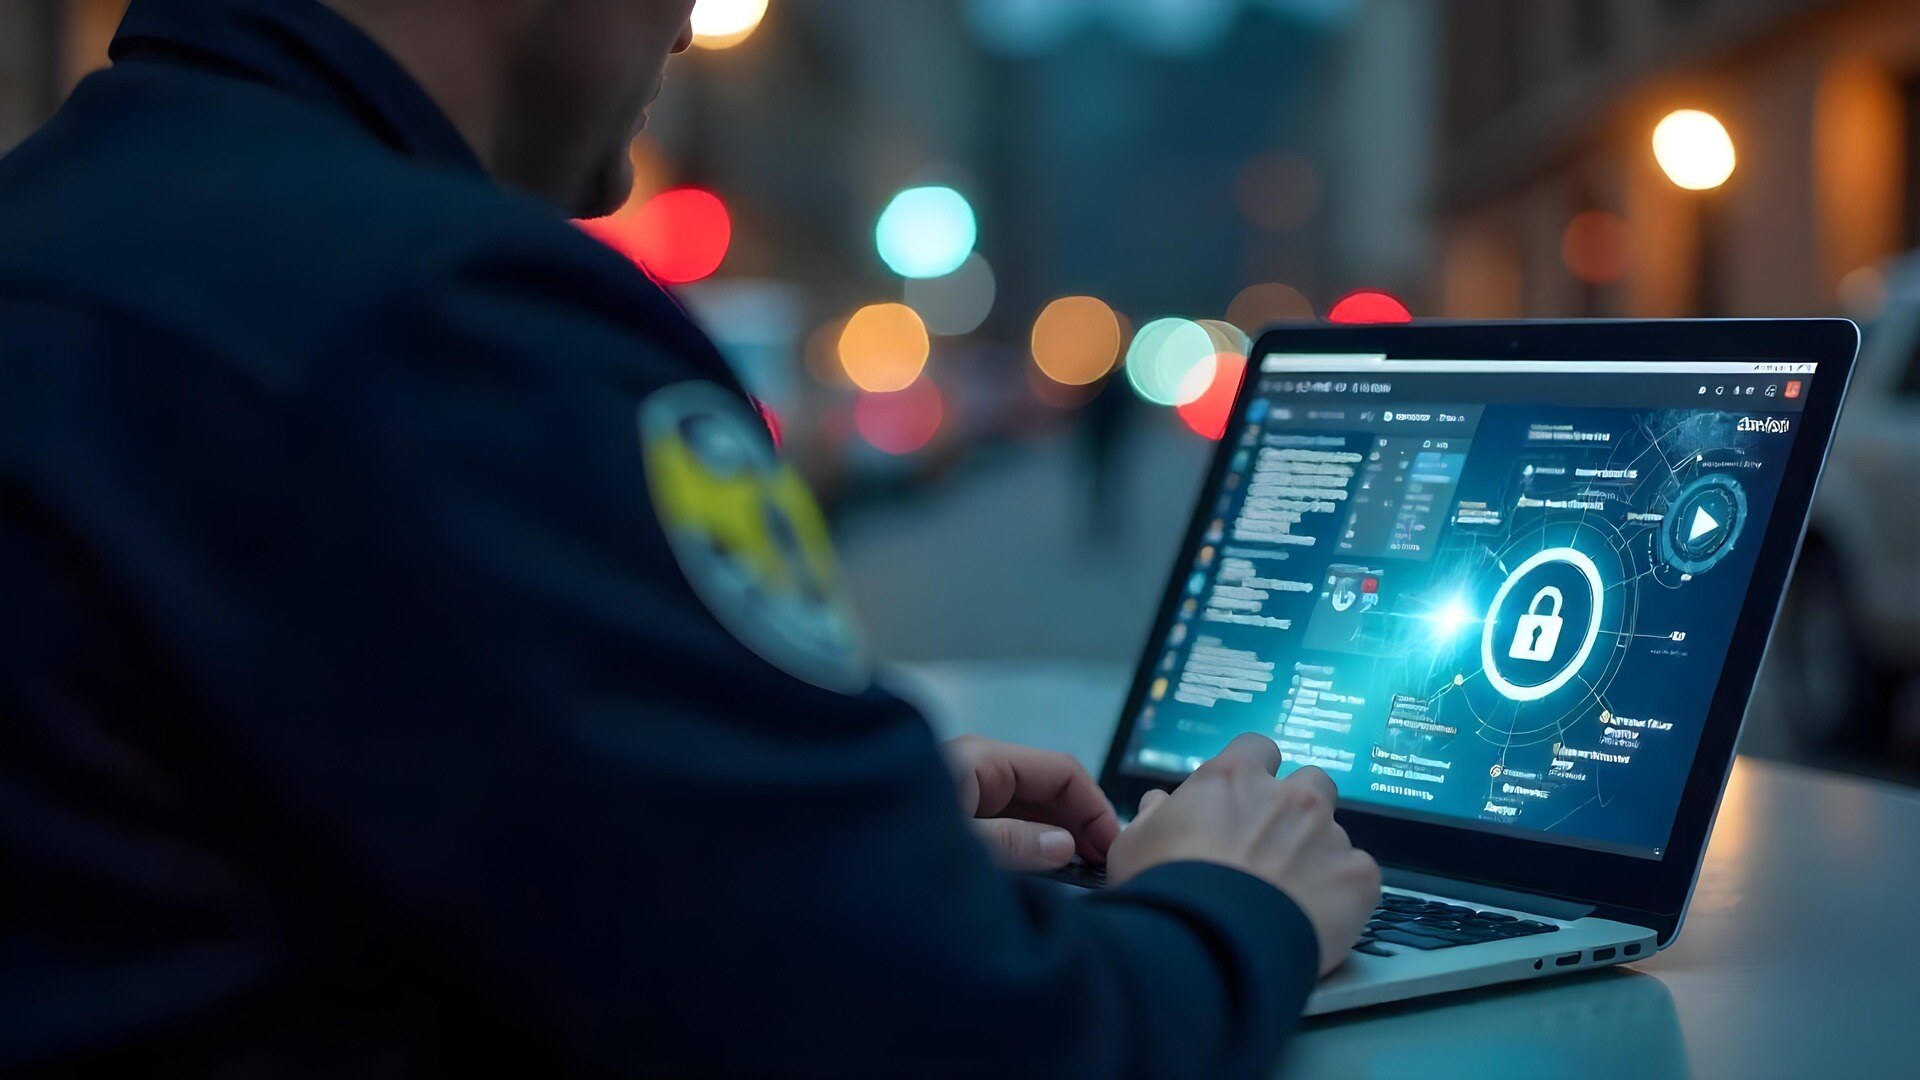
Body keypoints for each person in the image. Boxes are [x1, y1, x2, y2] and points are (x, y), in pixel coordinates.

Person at [0, 0, 1380, 1075]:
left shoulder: (59, 228)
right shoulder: (453, 319)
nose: (687, 20)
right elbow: (958, 1044)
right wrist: (1228, 906)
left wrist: (787, 821)